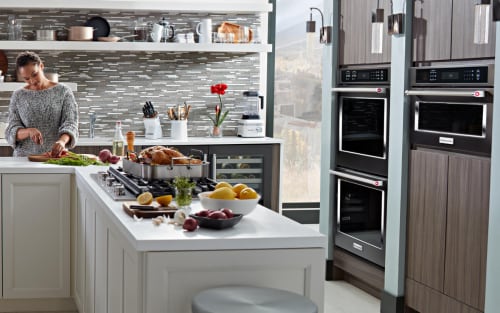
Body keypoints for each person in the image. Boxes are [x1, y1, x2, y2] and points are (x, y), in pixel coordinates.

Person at [5, 51, 79, 157]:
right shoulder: (18, 95)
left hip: (55, 158)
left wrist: (62, 141)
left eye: (34, 74)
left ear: (41, 66)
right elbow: (12, 130)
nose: (32, 81)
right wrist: (29, 131)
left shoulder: (63, 91)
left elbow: (70, 123)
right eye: (26, 79)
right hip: (24, 160)